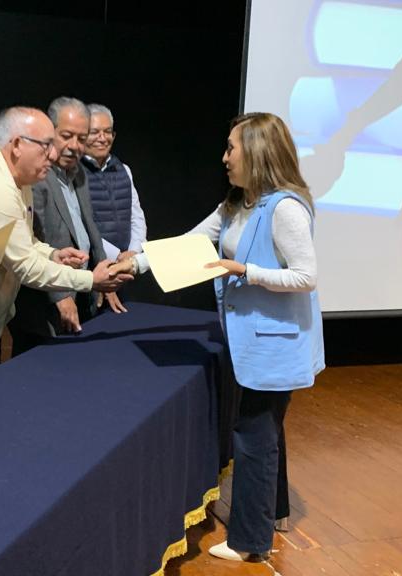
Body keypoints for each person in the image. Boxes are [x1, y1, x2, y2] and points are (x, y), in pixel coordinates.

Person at [117, 112, 324, 562]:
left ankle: (251, 541)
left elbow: (306, 276)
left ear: (257, 152)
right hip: (251, 340)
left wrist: (245, 271)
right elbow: (190, 243)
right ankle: (268, 516)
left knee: (255, 437)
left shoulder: (284, 207)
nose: (224, 157)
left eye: (231, 148)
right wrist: (133, 266)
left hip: (274, 344)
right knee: (262, 431)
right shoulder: (237, 203)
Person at [0, 106, 131, 397]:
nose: (54, 155)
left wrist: (52, 255)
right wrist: (91, 281)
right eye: (47, 146)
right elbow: (25, 267)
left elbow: (23, 243)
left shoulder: (16, 179)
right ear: (17, 145)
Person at [9, 97, 118, 356]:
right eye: (66, 136)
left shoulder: (78, 172)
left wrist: (106, 273)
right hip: (44, 301)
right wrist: (59, 295)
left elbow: (89, 226)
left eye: (81, 138)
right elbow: (32, 242)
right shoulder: (35, 175)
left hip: (81, 287)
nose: (74, 146)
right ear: (50, 133)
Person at [81, 103, 147, 258]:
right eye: (95, 132)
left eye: (108, 132)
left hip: (127, 262)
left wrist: (134, 252)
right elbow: (80, 225)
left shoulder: (123, 169)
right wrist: (115, 255)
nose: (102, 138)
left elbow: (136, 216)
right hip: (93, 264)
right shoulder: (74, 173)